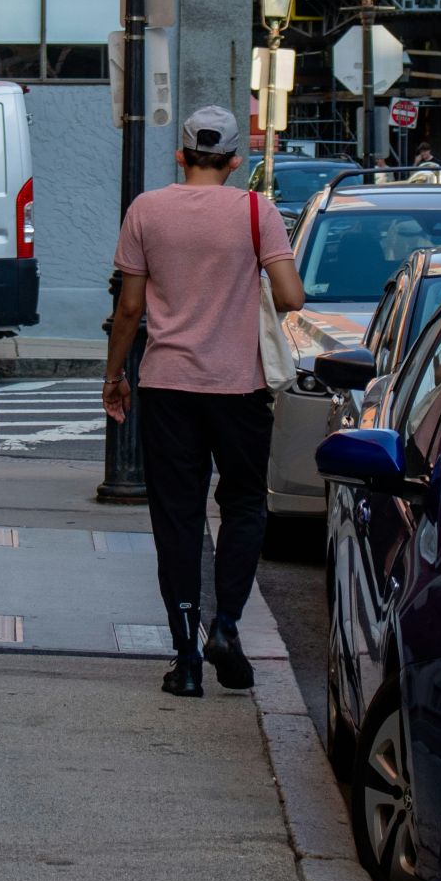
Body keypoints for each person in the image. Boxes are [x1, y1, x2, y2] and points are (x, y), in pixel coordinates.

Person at [103, 106, 307, 698]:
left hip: (167, 385)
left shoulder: (147, 210)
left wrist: (115, 375)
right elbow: (291, 295)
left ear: (181, 154)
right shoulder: (254, 210)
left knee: (178, 517)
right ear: (236, 161)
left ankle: (186, 655)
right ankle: (227, 625)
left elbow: (131, 309)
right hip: (239, 387)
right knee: (244, 506)